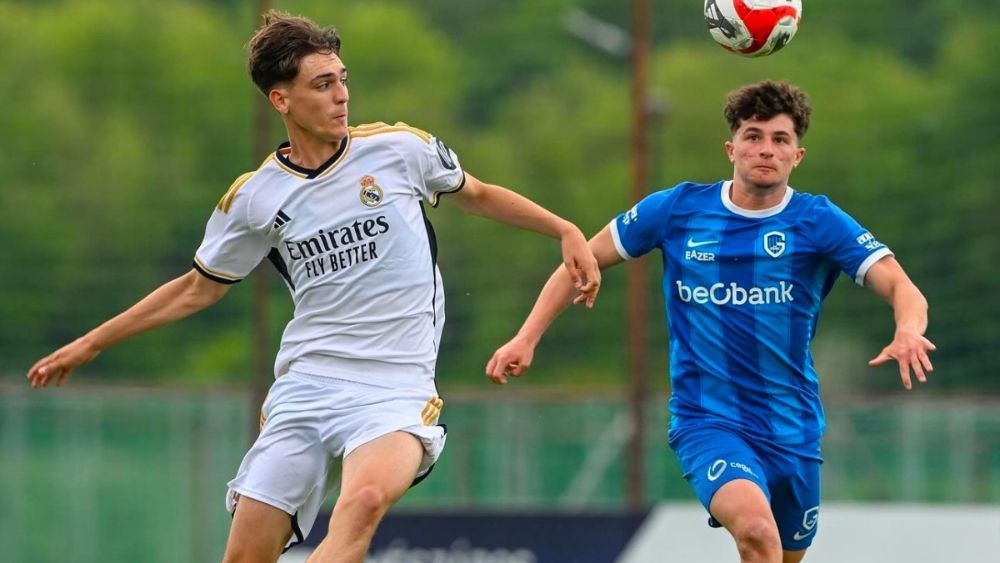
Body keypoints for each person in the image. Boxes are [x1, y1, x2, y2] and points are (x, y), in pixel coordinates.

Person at [26, 10, 600, 563]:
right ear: (281, 100)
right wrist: (91, 344)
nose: (341, 96)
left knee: (364, 501)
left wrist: (563, 228)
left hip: (395, 386)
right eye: (322, 85)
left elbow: (478, 195)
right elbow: (196, 288)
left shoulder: (400, 150)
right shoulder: (256, 198)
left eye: (342, 80)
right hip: (307, 385)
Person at [486, 80, 934, 563]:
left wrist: (908, 329)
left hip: (793, 428)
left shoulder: (817, 220)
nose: (766, 149)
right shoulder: (678, 209)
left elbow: (900, 285)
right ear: (731, 148)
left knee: (782, 554)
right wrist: (526, 337)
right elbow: (579, 260)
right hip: (708, 420)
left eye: (780, 139)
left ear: (797, 155)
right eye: (753, 136)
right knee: (756, 531)